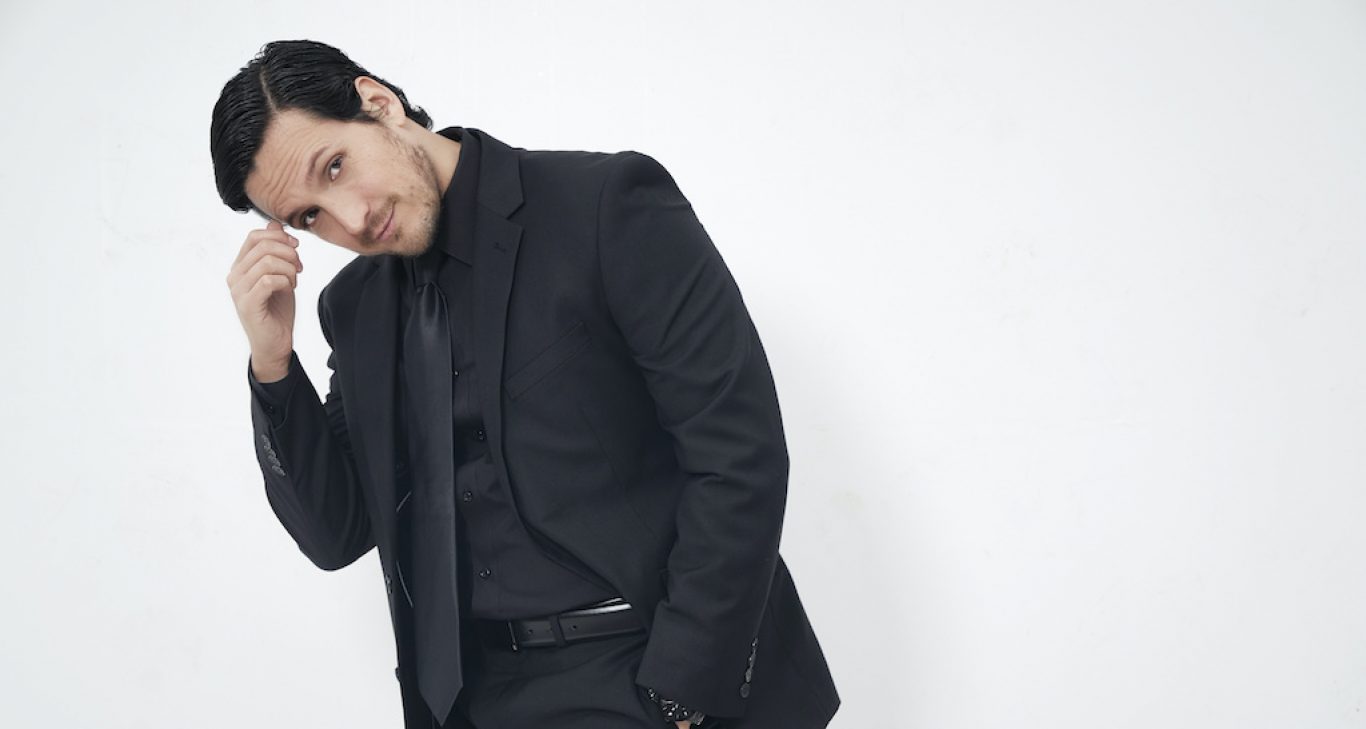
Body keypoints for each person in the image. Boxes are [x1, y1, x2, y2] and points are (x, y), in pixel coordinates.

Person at [212, 39, 839, 729]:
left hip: (651, 668)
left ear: (379, 104)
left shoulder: (605, 205)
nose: (351, 219)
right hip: (481, 698)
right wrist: (272, 361)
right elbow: (337, 533)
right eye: (310, 217)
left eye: (335, 166)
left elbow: (737, 453)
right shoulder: (356, 308)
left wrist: (683, 693)